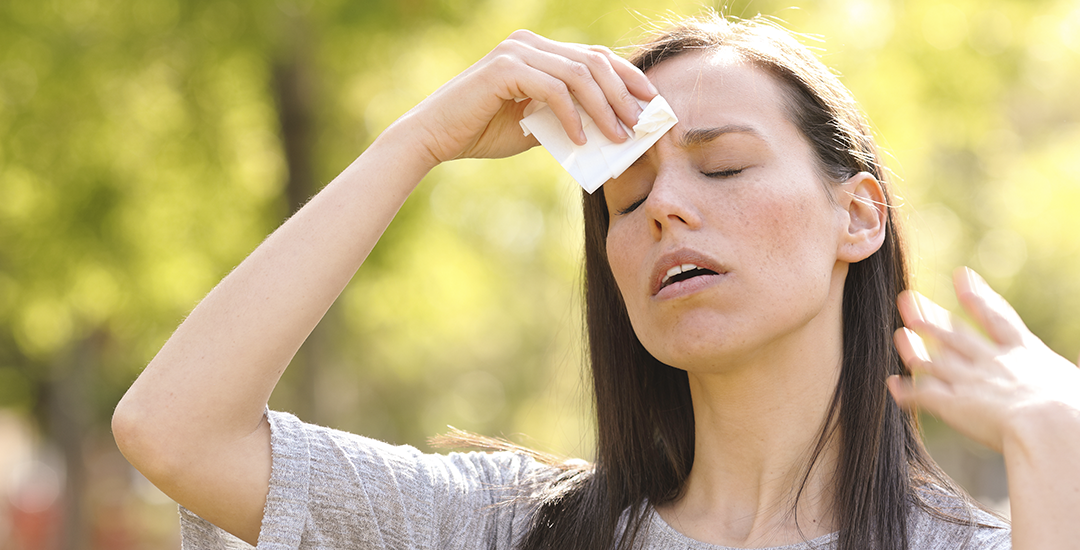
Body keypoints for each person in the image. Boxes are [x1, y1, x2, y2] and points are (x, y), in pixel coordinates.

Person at [112, 13, 1080, 550]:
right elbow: (175, 430)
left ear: (859, 214)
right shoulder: (504, 528)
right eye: (624, 197)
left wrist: (1058, 440)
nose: (664, 208)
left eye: (725, 166)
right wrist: (419, 142)